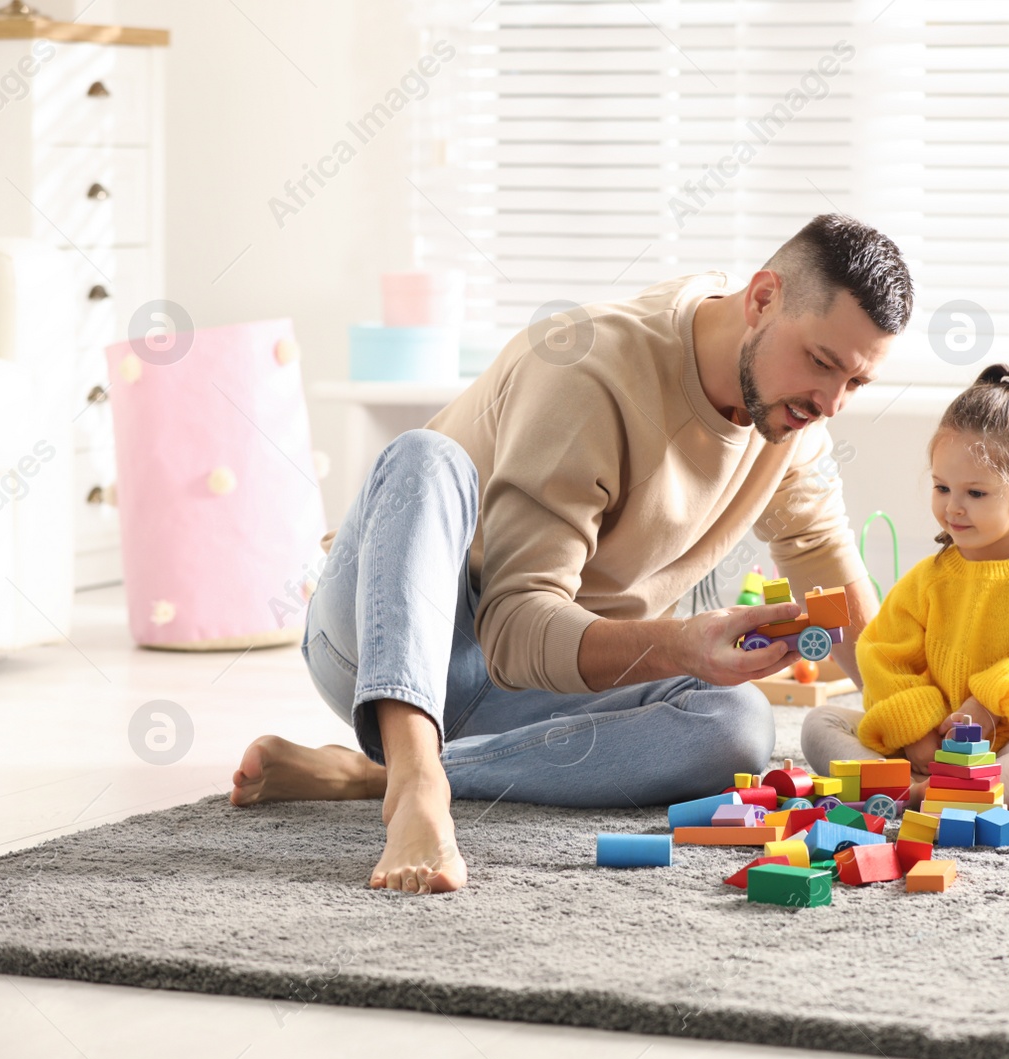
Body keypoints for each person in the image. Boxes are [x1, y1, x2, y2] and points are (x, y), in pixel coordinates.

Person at [229, 215, 915, 893]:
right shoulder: (587, 369)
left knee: (737, 724)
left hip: (542, 684)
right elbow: (514, 627)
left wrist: (911, 723)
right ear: (763, 298)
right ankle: (411, 781)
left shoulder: (794, 416)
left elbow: (826, 561)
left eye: (856, 384)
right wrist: (679, 644)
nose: (830, 402)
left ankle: (374, 773)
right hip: (394, 633)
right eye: (822, 362)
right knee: (425, 457)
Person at [802, 362, 1009, 812]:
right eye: (942, 487)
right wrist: (917, 727)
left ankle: (915, 795)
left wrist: (991, 702)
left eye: (976, 494)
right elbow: (882, 655)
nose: (953, 508)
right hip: (929, 748)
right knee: (820, 723)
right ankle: (934, 790)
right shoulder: (929, 578)